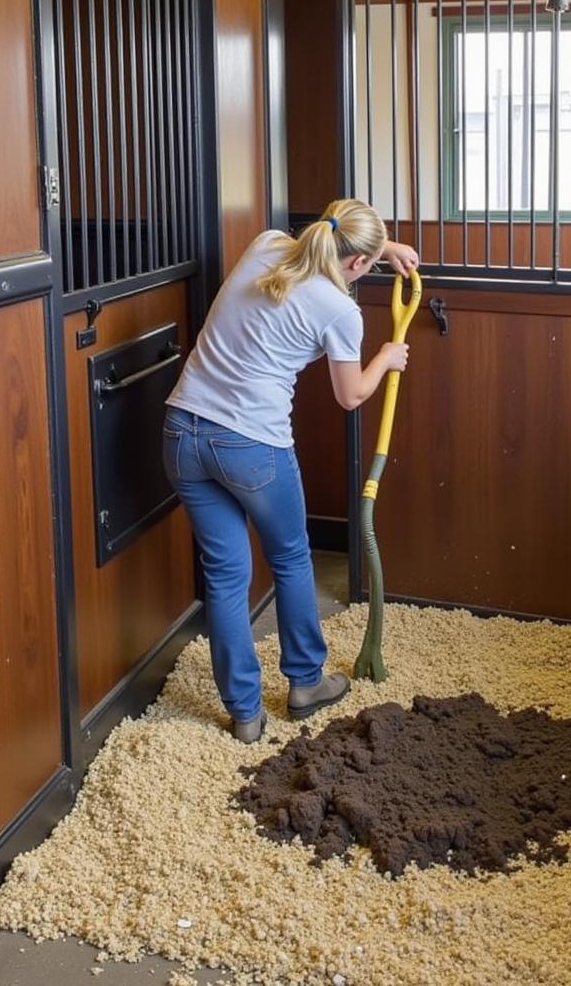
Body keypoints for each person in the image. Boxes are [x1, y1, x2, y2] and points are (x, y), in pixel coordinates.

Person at [163, 199, 419, 743]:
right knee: (290, 555)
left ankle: (245, 715)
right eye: (368, 263)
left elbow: (328, 241)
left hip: (182, 432)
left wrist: (384, 248)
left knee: (226, 572)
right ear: (355, 265)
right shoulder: (339, 309)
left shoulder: (267, 246)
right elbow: (351, 396)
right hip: (251, 446)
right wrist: (387, 358)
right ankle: (305, 683)